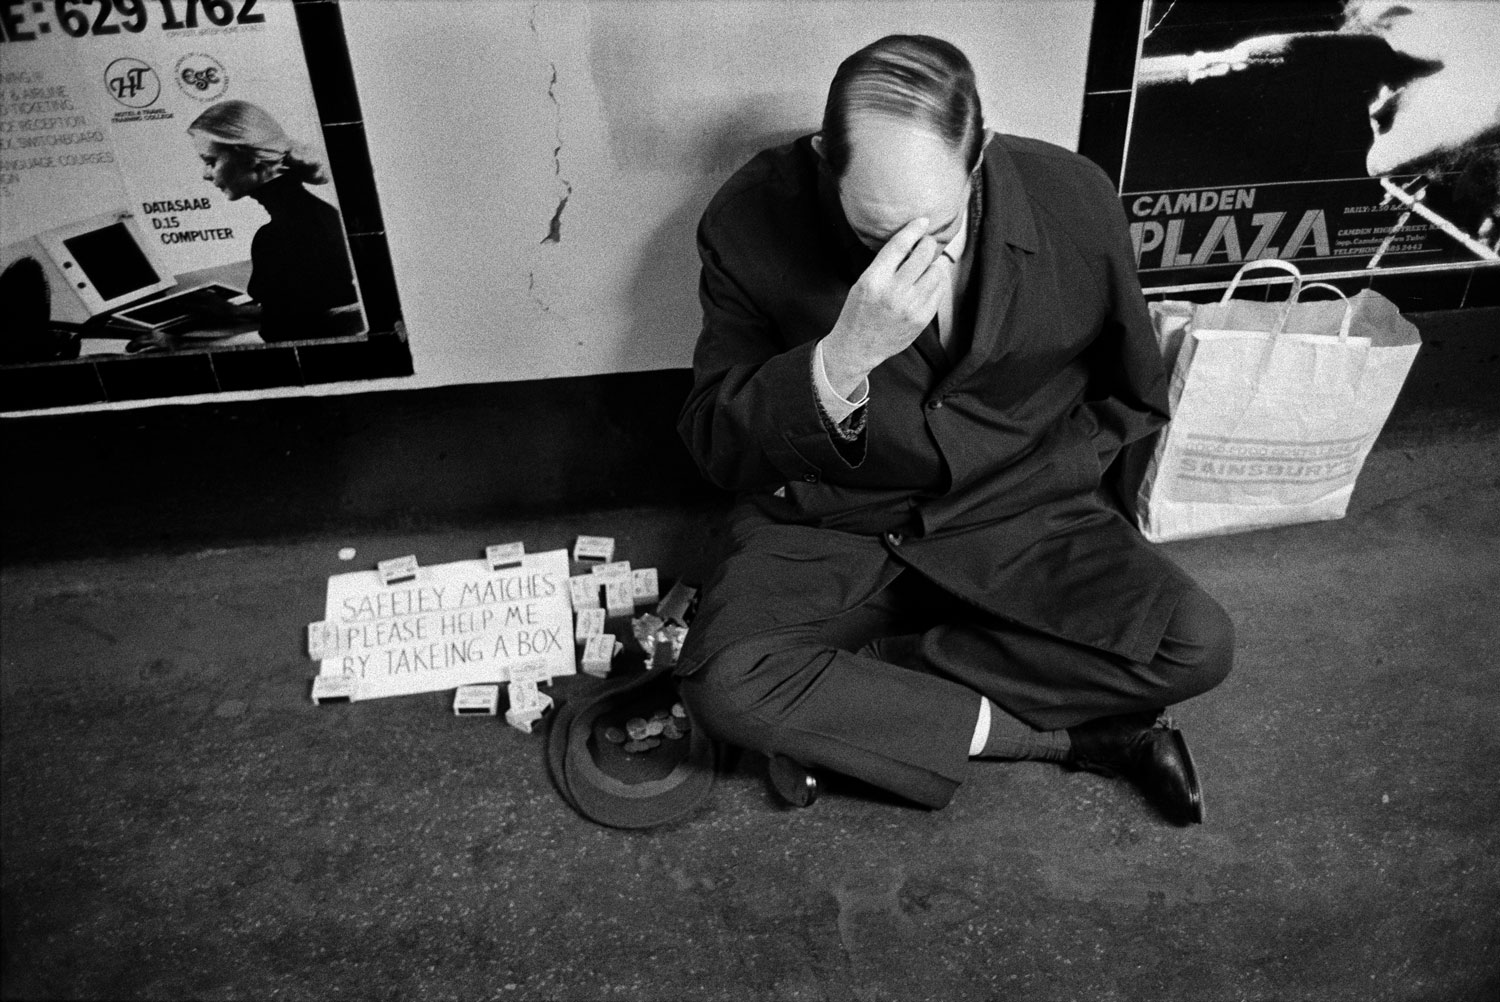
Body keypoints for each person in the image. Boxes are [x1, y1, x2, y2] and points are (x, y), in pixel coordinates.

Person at [674, 35, 1234, 824]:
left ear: (980, 160)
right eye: (874, 234)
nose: (908, 257)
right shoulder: (750, 216)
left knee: (1196, 643)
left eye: (937, 229)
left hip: (1019, 510)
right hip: (837, 518)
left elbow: (1132, 389)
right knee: (726, 684)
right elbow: (713, 445)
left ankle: (859, 691)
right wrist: (841, 360)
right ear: (824, 161)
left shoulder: (1072, 196)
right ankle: (1087, 742)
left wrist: (1054, 479)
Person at [184, 100, 361, 343]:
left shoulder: (277, 237)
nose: (206, 174)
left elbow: (276, 341)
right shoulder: (323, 213)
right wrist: (235, 312)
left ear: (249, 159)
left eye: (210, 161)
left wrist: (177, 344)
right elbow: (306, 311)